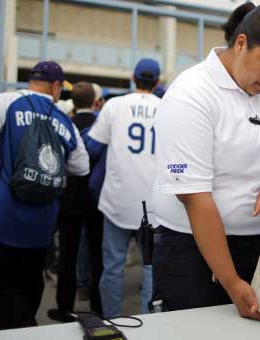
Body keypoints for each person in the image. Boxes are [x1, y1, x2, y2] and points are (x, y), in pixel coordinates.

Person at [149, 2, 260, 319]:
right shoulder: (192, 94)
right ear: (241, 43)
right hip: (193, 251)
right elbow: (195, 197)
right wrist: (231, 281)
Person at [0, 61, 89, 330]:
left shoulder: (5, 102)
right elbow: (81, 166)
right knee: (28, 289)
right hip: (41, 230)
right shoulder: (64, 118)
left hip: (0, 222)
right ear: (55, 86)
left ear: (32, 80)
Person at [86, 58, 161, 318]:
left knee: (113, 267)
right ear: (158, 82)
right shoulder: (166, 107)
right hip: (153, 204)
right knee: (151, 269)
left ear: (133, 77)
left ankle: (112, 323)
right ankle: (147, 325)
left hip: (118, 198)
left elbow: (93, 146)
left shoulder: (115, 105)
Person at [47, 82, 104, 322]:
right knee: (98, 256)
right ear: (95, 102)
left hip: (69, 199)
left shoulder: (65, 125)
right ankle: (98, 308)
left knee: (68, 256)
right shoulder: (102, 126)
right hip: (97, 200)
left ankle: (64, 308)